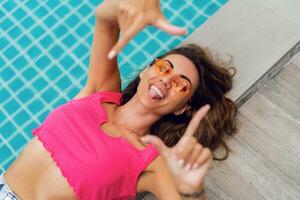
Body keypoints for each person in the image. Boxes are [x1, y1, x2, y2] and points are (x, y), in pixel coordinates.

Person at [0, 0, 238, 199]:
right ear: (146, 71)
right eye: (164, 68)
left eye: (180, 84)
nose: (166, 80)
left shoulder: (151, 161)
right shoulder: (100, 92)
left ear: (182, 108)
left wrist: (193, 190)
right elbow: (105, 20)